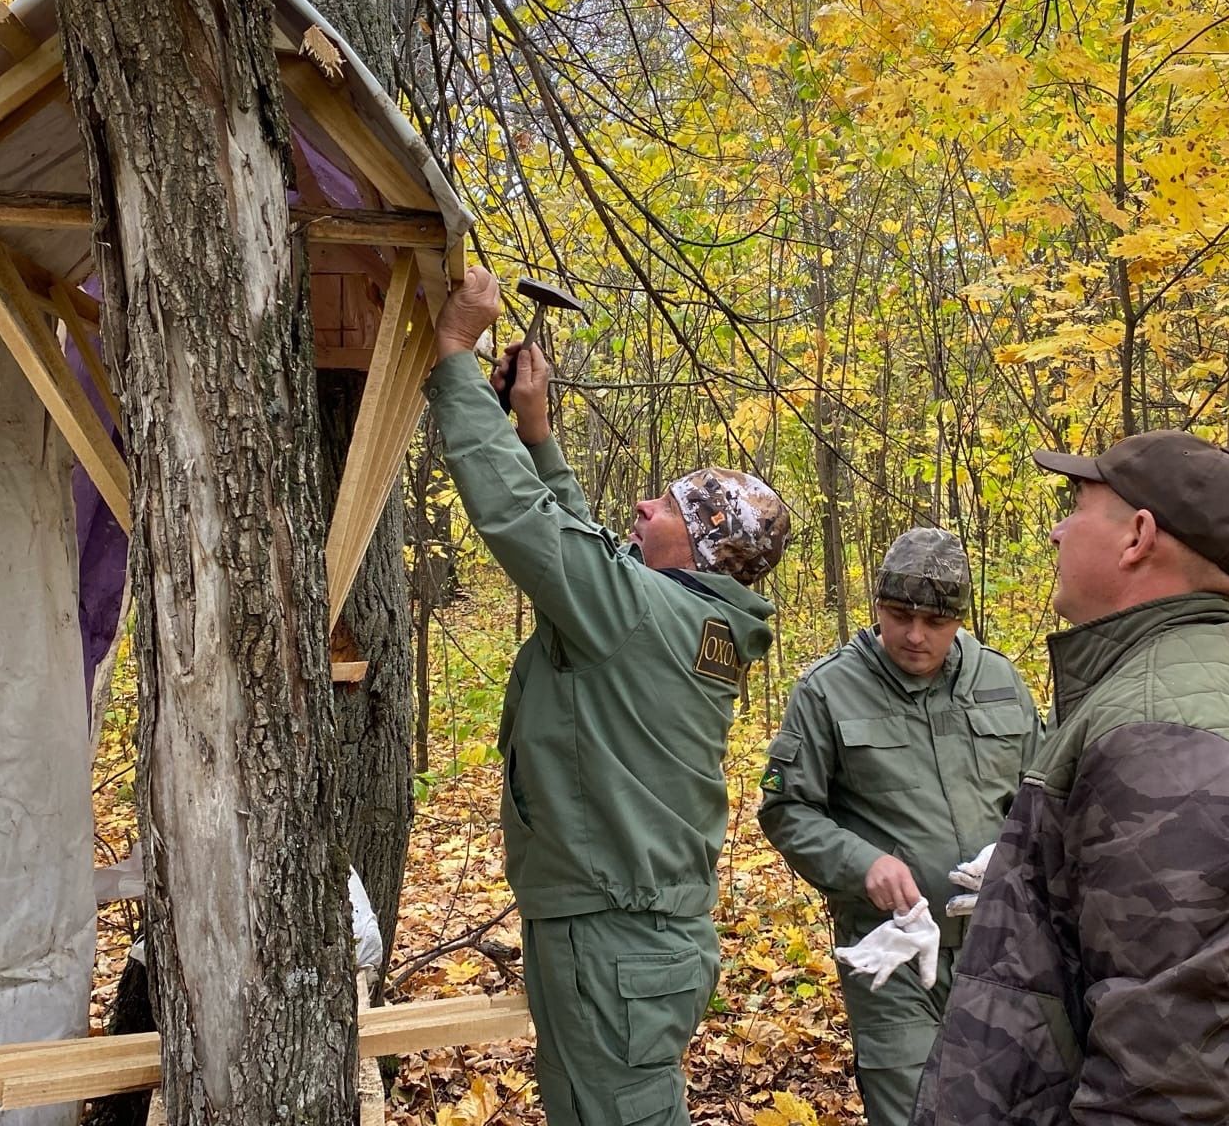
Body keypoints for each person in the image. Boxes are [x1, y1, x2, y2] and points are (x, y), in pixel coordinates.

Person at [913, 430, 1229, 1126]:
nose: (1055, 530)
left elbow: (1161, 1089)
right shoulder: (1205, 683)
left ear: (1137, 536)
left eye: (1076, 505)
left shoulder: (1162, 733)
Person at [426, 266, 792, 1126]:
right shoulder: (691, 621)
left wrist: (453, 354)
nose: (641, 504)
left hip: (614, 941)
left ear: (698, 548)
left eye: (664, 507)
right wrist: (538, 430)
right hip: (631, 936)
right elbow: (587, 553)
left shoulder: (639, 612)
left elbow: (527, 525)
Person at [757, 528, 1039, 1126]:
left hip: (1000, 951)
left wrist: (1013, 854)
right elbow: (788, 808)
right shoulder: (829, 689)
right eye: (899, 614)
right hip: (893, 954)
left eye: (936, 621)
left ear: (960, 617)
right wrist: (864, 864)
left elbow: (1043, 799)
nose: (915, 635)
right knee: (916, 1114)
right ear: (877, 606)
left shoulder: (999, 682)